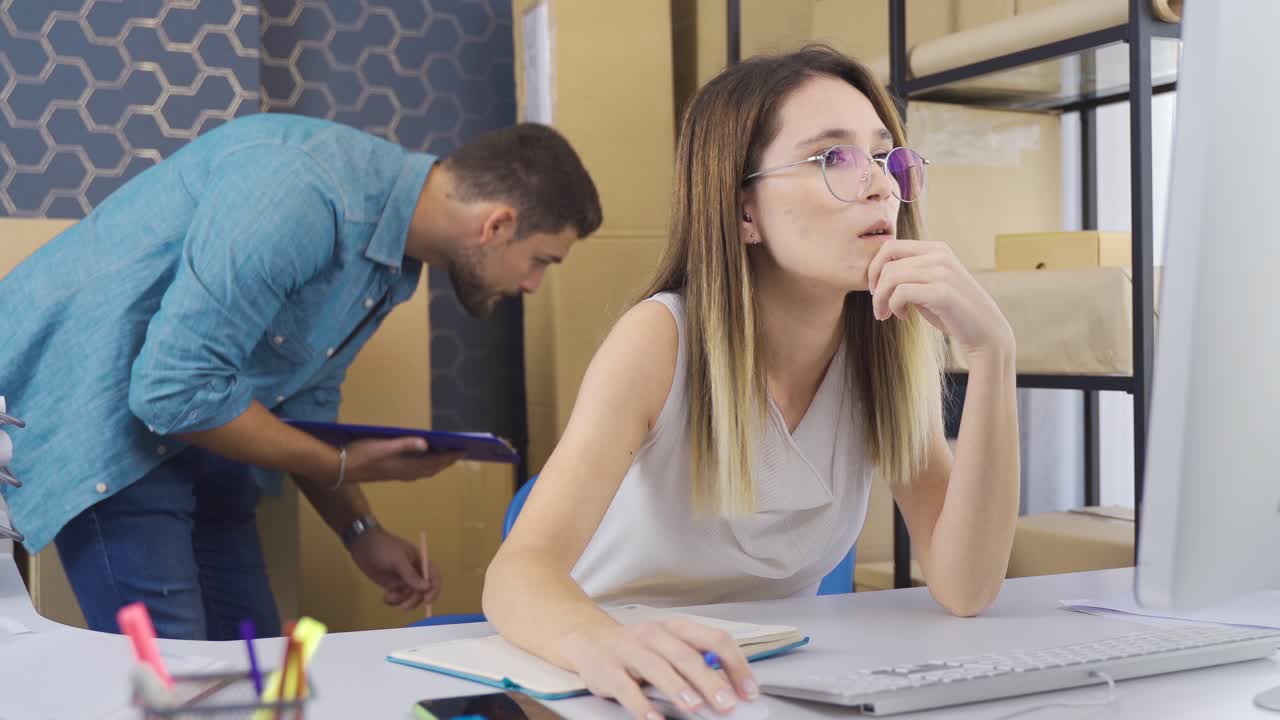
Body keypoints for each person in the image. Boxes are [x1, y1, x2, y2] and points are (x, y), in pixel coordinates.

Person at [482, 46, 1019, 720]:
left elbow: (966, 587)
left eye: (886, 157)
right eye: (834, 159)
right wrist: (603, 642)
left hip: (769, 693)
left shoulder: (884, 349)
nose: (881, 185)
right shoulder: (659, 340)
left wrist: (995, 354)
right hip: (613, 687)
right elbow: (518, 571)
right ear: (744, 213)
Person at [0, 113, 601, 640]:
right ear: (497, 225)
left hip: (209, 435)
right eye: (541, 261)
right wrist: (340, 464)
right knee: (177, 682)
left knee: (252, 656)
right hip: (110, 422)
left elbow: (302, 406)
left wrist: (361, 529)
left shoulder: (392, 262)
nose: (531, 286)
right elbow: (169, 390)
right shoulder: (301, 193)